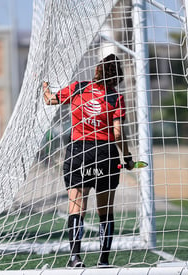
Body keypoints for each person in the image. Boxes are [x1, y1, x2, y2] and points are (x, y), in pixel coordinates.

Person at [43, 54, 134, 268]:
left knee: (76, 208)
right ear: (117, 77)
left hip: (79, 153)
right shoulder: (115, 98)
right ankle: (103, 260)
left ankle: (75, 258)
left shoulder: (78, 88)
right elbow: (118, 133)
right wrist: (128, 157)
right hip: (105, 155)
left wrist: (44, 86)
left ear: (97, 71)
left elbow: (49, 100)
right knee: (106, 210)